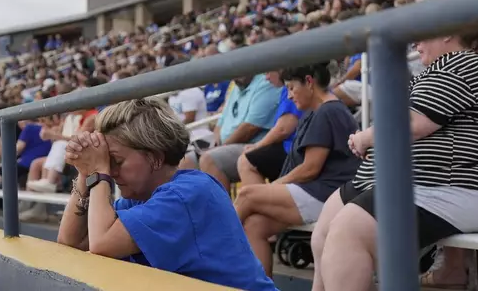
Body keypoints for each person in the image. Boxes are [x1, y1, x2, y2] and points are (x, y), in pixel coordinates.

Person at [310, 33, 478, 291]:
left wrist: (365, 137)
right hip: (402, 182)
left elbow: (411, 125)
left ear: (447, 34)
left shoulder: (463, 63)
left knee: (347, 233)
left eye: (422, 35)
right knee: (322, 234)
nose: (414, 43)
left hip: (445, 186)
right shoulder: (436, 69)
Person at [57, 98, 278, 291]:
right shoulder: (139, 199)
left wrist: (98, 171)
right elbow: (71, 241)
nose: (112, 171)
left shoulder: (187, 194)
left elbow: (101, 244)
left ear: (155, 157)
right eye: (108, 162)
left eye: (117, 161)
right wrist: (85, 172)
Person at [235, 63, 359, 276]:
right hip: (317, 193)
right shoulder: (317, 111)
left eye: (291, 88)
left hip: (327, 195)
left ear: (309, 82)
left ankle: (208, 249)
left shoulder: (328, 111)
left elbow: (310, 169)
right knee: (254, 226)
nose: (289, 96)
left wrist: (274, 186)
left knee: (247, 194)